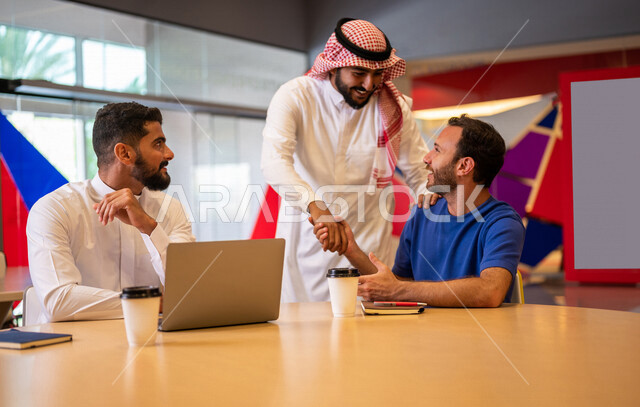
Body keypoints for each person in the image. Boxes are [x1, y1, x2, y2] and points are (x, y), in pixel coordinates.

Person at [261, 18, 429, 302]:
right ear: (334, 65)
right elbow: (274, 162)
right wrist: (317, 208)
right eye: (359, 73)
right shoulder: (296, 96)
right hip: (307, 242)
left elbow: (420, 172)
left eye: (377, 74)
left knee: (371, 343)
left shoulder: (393, 106)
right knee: (306, 342)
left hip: (370, 249)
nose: (369, 84)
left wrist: (440, 210)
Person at [314, 115, 525, 306]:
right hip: (422, 339)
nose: (427, 157)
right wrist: (351, 250)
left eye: (437, 149)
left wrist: (398, 290)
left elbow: (491, 291)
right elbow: (396, 286)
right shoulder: (424, 214)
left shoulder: (502, 222)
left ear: (464, 166)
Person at [26, 102, 195, 323]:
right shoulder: (55, 209)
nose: (169, 153)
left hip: (152, 346)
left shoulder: (171, 209)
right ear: (124, 153)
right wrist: (149, 303)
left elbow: (188, 290)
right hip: (74, 351)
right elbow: (59, 301)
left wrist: (149, 227)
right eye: (158, 144)